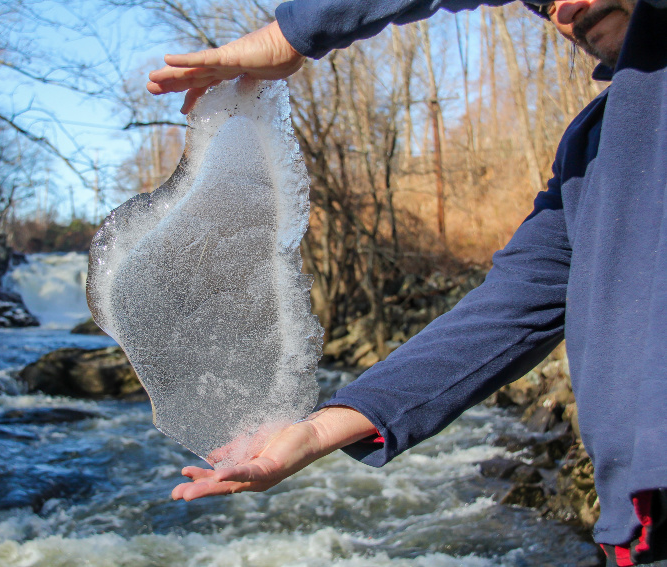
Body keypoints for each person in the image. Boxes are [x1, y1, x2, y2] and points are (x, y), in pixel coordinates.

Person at [147, 0, 667, 564]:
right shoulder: (592, 145)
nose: (563, 12)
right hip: (642, 524)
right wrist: (322, 430)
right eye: (540, 4)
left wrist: (294, 33)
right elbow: (509, 311)